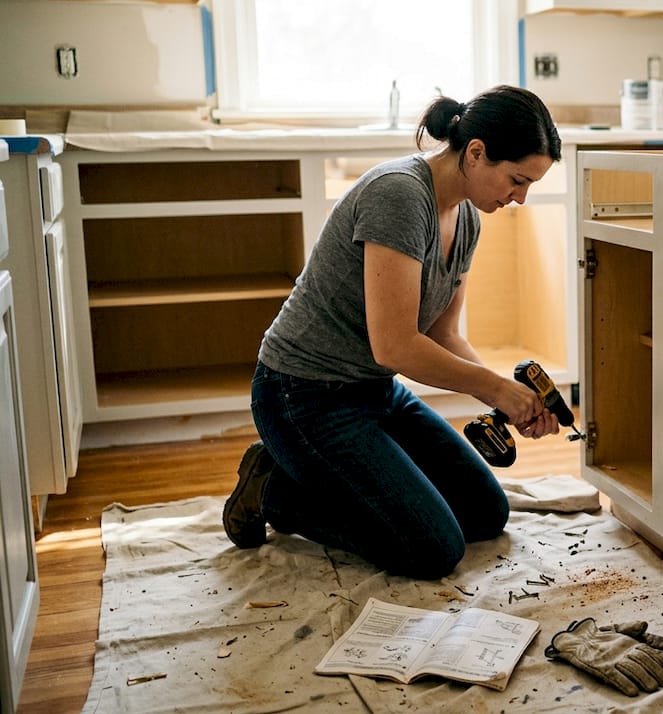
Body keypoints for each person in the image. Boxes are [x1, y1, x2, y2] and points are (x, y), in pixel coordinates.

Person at [222, 85, 563, 580]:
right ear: (475, 152)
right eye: (516, 179)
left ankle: (343, 479)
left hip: (375, 392)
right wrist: (498, 389)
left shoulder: (466, 215)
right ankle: (274, 489)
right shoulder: (399, 195)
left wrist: (507, 398)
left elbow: (443, 334)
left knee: (485, 514)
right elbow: (396, 345)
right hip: (302, 396)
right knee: (431, 549)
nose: (520, 197)